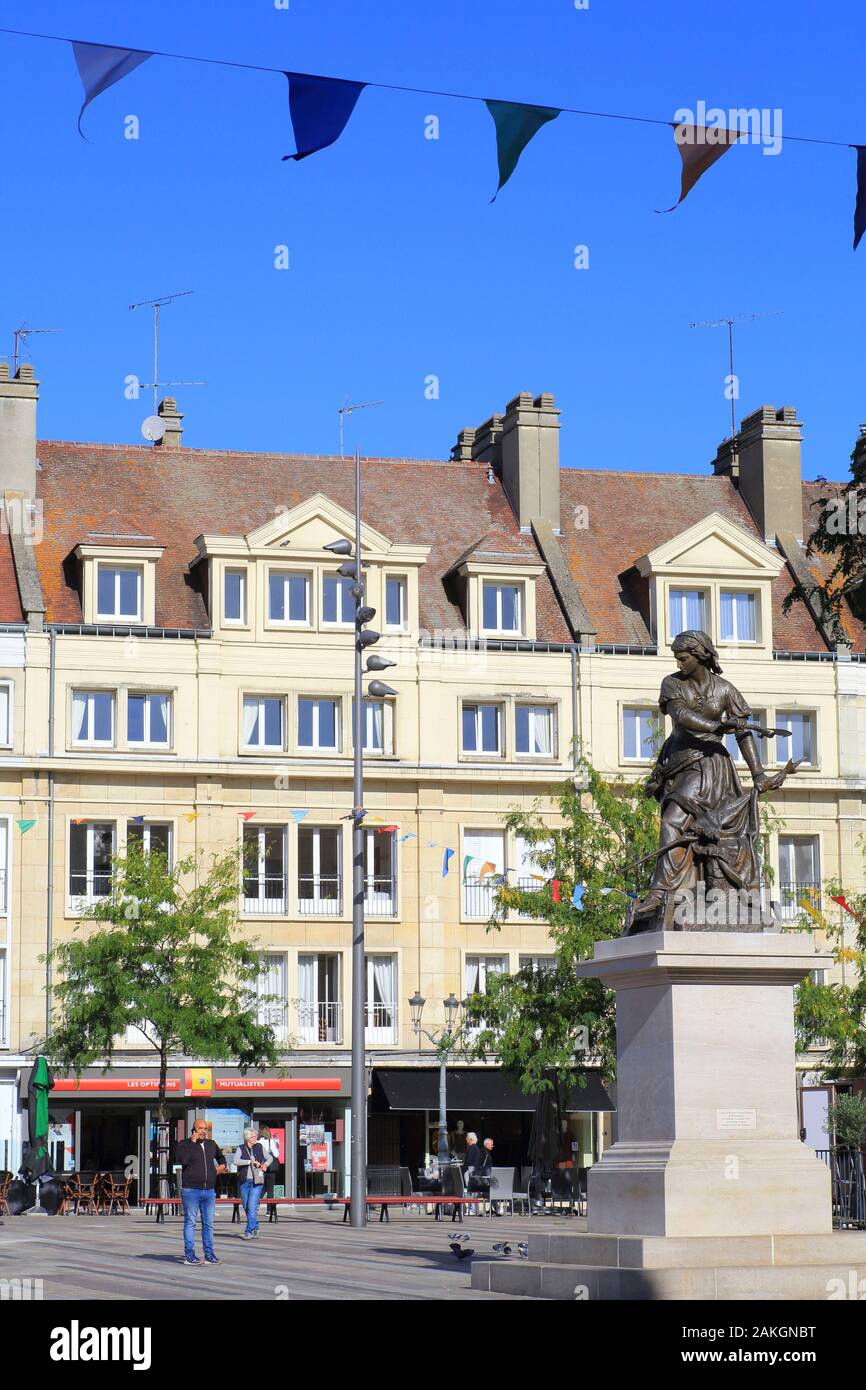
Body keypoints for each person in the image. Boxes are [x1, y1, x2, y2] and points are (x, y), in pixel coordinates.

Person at [629, 629, 798, 933]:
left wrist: (758, 773)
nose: (679, 663)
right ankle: (666, 892)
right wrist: (718, 724)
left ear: (701, 656)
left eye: (684, 658)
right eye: (677, 658)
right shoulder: (672, 684)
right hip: (681, 762)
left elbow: (744, 734)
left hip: (713, 766)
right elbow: (680, 716)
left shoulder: (725, 690)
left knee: (682, 825)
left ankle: (666, 892)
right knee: (675, 824)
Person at [175, 1119, 227, 1266]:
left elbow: (221, 1157)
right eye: (200, 1128)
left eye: (205, 1128)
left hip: (209, 1190)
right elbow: (183, 1161)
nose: (203, 1131)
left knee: (208, 1224)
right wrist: (192, 1143)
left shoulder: (211, 1144)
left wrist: (220, 1167)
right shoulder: (184, 1144)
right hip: (191, 1190)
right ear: (194, 1130)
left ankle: (209, 1255)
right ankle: (190, 1255)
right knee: (191, 1223)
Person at [234, 1128, 268, 1239]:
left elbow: (270, 1158)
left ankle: (248, 1231)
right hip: (244, 1181)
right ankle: (256, 1226)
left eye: (256, 1136)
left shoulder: (259, 1147)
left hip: (257, 1181)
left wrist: (265, 1164)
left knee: (252, 1206)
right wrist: (249, 1162)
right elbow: (235, 1161)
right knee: (246, 1206)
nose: (256, 1138)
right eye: (253, 1137)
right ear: (248, 1138)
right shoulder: (241, 1148)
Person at [257, 1125, 280, 1204]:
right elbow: (276, 1155)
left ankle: (255, 1206)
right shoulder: (271, 1141)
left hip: (260, 1168)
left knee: (260, 1188)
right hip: (270, 1169)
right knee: (270, 1190)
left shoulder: (257, 1142)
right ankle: (269, 1210)